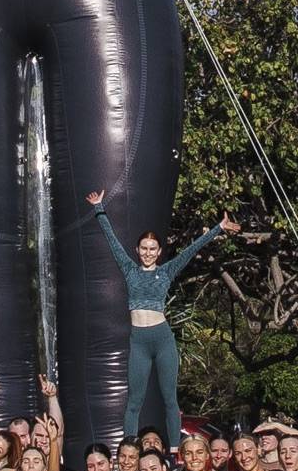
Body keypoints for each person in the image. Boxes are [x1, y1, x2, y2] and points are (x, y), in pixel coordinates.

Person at [83, 188, 237, 441]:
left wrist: (218, 228)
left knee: (169, 397)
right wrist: (99, 208)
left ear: (159, 252)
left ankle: (175, 451)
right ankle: (130, 446)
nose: (147, 252)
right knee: (134, 399)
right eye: (143, 248)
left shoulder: (166, 271)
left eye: (152, 249)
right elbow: (112, 242)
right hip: (139, 340)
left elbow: (190, 250)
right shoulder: (130, 270)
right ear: (137, 249)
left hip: (162, 338)